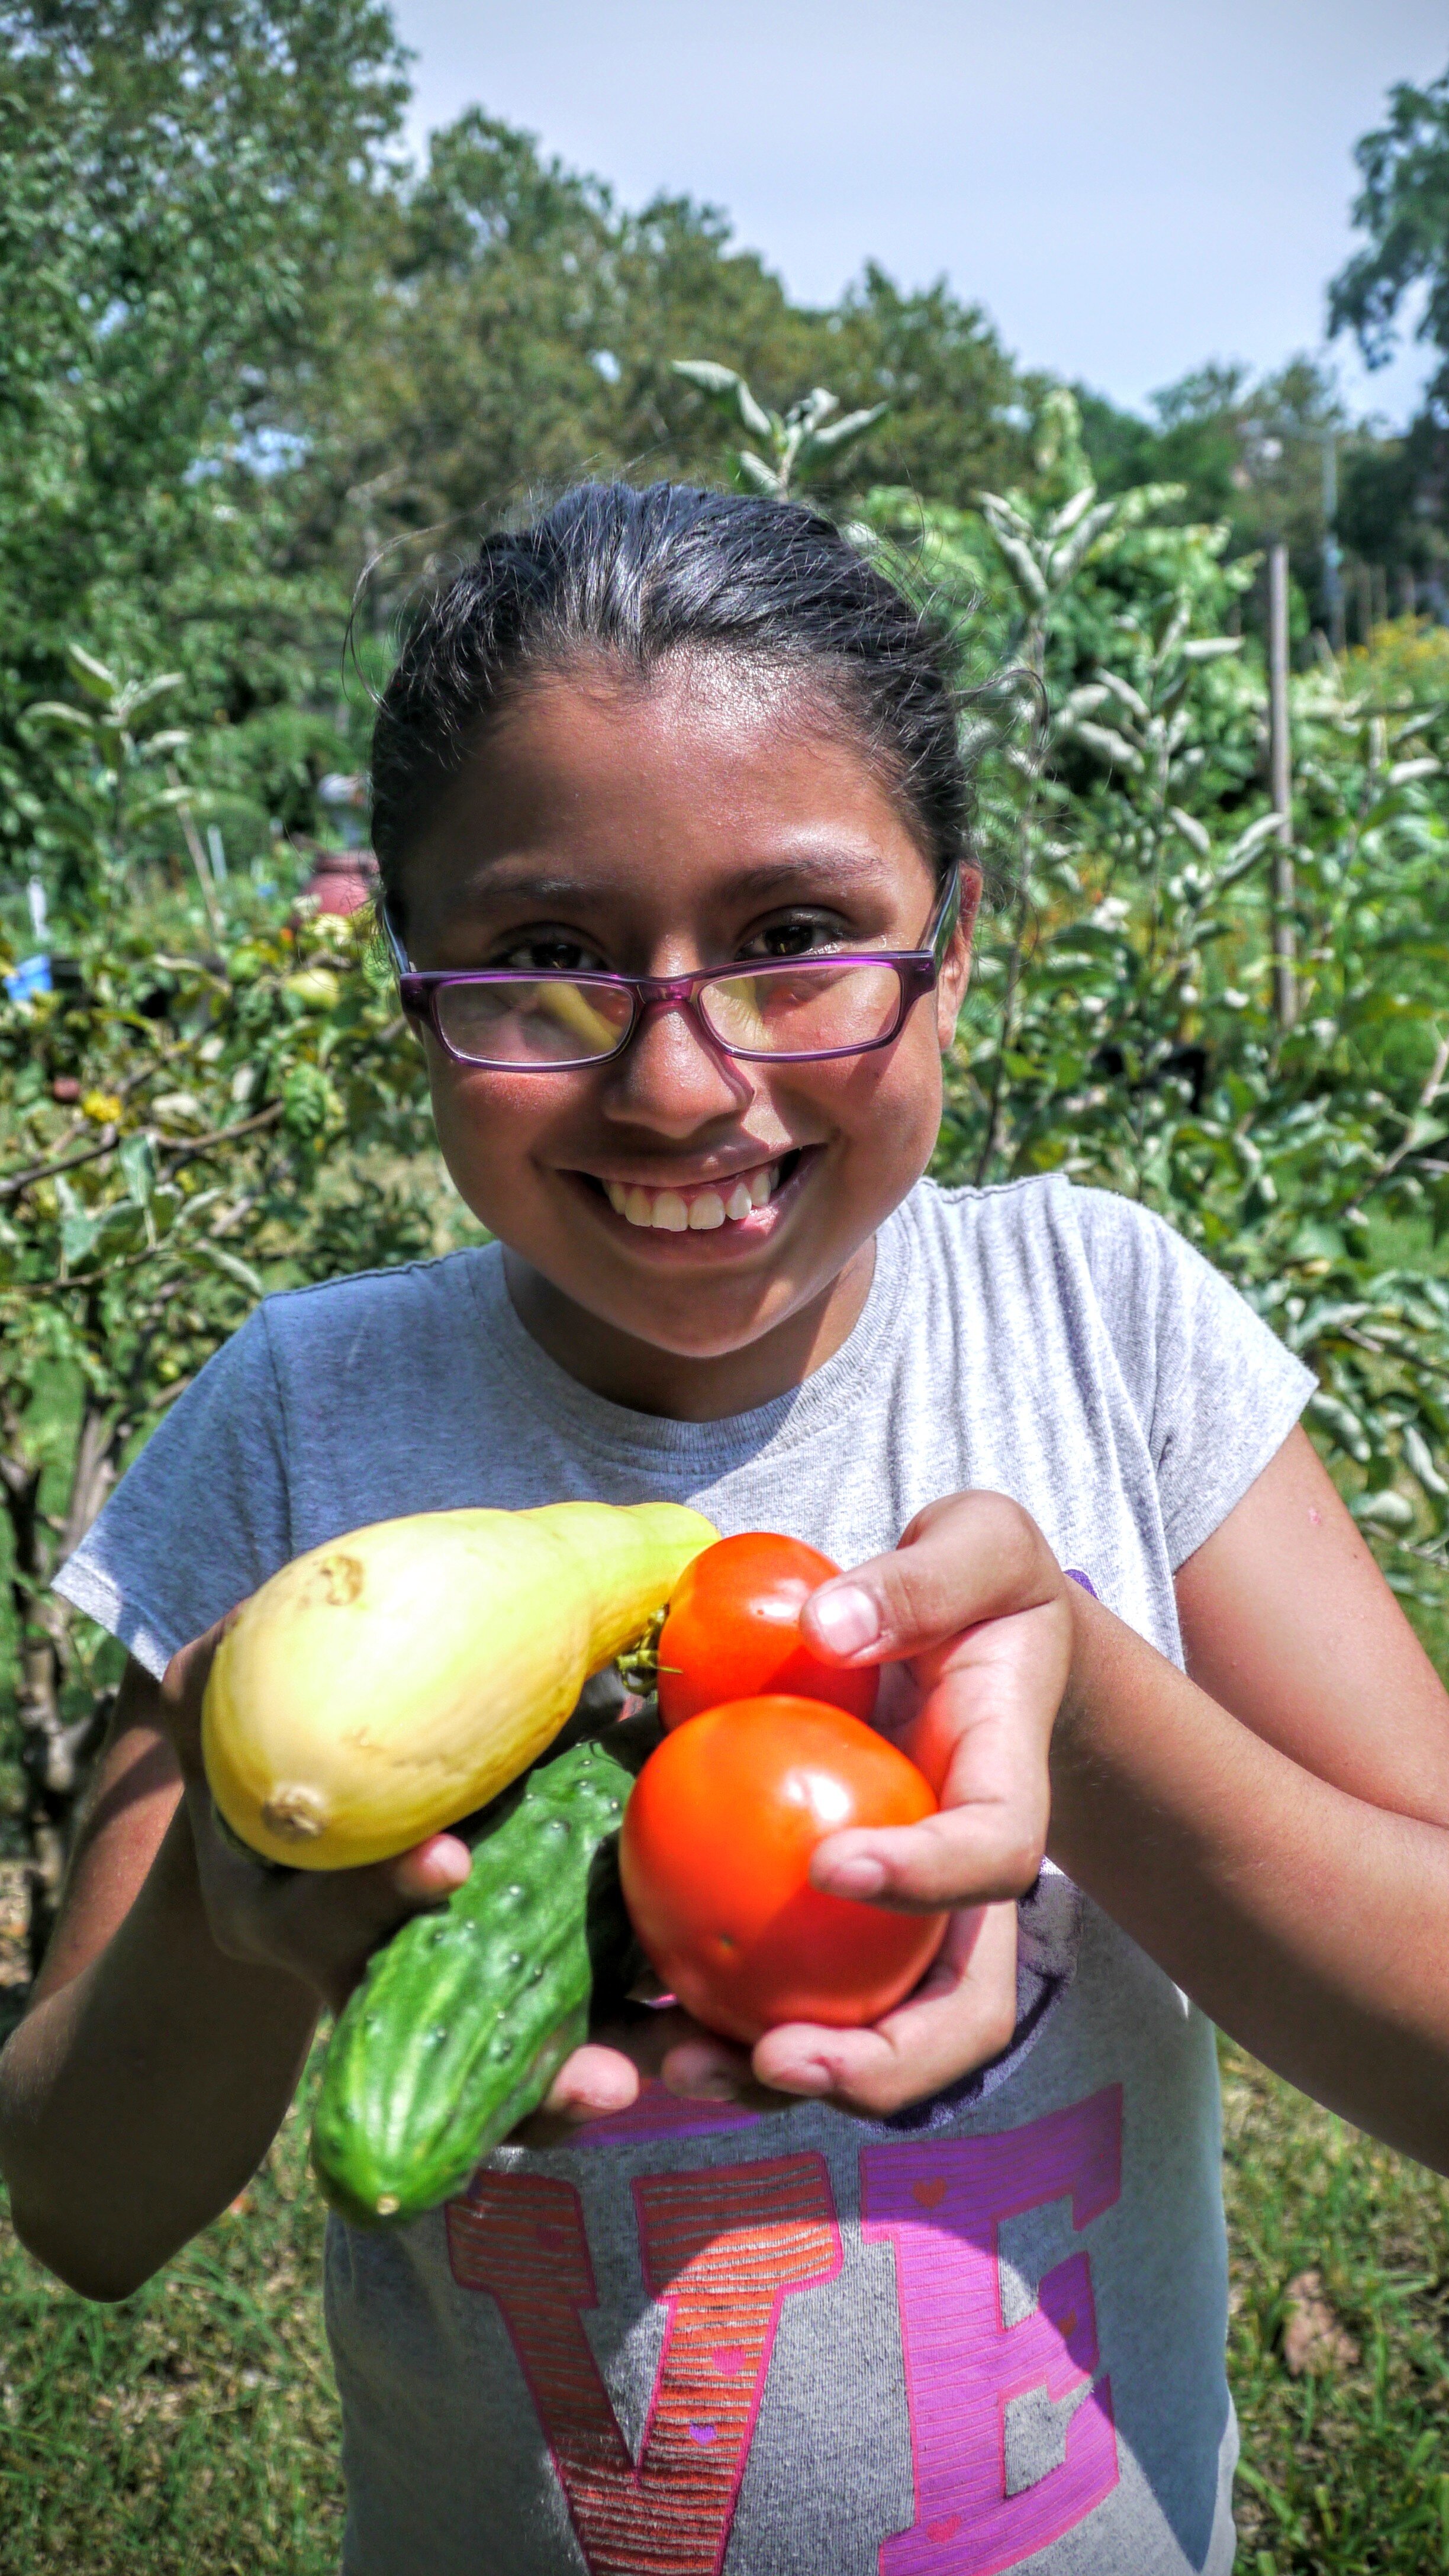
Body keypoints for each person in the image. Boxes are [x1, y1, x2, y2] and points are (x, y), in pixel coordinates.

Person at [4, 482, 1449, 2576]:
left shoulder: (1104, 1329)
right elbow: (80, 2210)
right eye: (547, 962)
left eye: (793, 945)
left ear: (953, 940)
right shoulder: (302, 1424)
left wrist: (1083, 1717)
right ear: (412, 986)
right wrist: (226, 1934)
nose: (680, 1080)